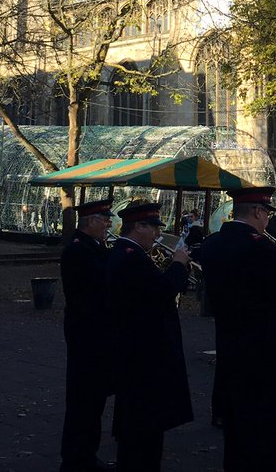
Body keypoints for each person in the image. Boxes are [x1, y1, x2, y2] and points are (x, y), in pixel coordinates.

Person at [199, 186, 276, 472]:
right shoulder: (258, 247)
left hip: (232, 350)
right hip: (267, 357)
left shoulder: (213, 244)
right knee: (270, 442)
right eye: (266, 214)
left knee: (238, 438)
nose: (267, 222)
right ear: (258, 212)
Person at [105, 201, 193, 472]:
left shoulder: (128, 254)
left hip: (137, 351)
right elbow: (162, 291)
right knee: (144, 431)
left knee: (139, 427)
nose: (157, 235)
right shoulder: (131, 256)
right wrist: (178, 264)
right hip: (143, 355)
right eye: (153, 228)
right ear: (138, 227)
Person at [59, 200, 116, 472]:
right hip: (87, 334)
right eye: (104, 219)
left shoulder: (92, 248)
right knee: (84, 401)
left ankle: (85, 455)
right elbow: (102, 282)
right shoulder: (79, 250)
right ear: (90, 220)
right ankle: (76, 458)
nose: (108, 224)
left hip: (94, 333)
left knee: (93, 401)